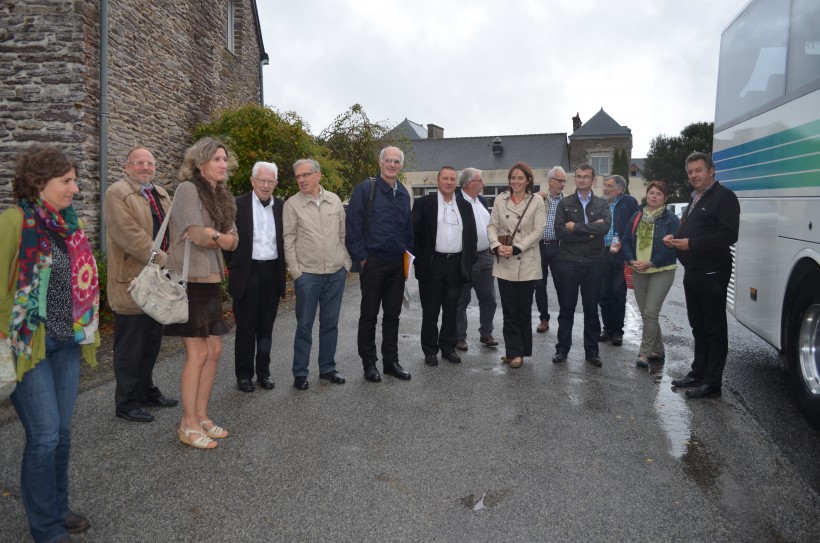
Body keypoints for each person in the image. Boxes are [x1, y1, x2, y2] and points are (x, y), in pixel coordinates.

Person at [0, 144, 99, 542]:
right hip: (28, 345)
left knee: (62, 433)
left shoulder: (66, 223)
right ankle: (45, 529)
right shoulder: (14, 221)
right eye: (67, 181)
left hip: (66, 341)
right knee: (43, 435)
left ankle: (59, 510)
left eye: (75, 180)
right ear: (40, 183)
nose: (75, 188)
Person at [164, 137, 238, 449]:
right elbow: (197, 235)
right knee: (198, 354)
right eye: (217, 159)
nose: (223, 164)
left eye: (225, 159)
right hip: (188, 279)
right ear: (200, 162)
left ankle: (202, 415)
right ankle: (188, 424)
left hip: (210, 279)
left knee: (215, 352)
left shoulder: (222, 195)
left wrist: (215, 235)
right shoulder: (187, 189)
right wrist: (216, 236)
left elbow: (233, 241)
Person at [104, 146, 178, 424]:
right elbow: (130, 236)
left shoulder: (160, 193)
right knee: (130, 347)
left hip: (158, 282)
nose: (146, 167)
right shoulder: (117, 193)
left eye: (150, 163)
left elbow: (173, 226)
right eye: (139, 163)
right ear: (126, 167)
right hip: (132, 282)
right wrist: (164, 258)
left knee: (150, 342)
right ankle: (126, 401)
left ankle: (146, 390)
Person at [665, 151, 740, 399]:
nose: (694, 175)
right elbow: (691, 231)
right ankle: (698, 372)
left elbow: (728, 236)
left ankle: (712, 383)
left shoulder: (724, 197)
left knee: (714, 328)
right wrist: (675, 240)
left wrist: (691, 245)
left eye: (699, 170)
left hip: (713, 272)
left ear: (711, 171)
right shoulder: (694, 198)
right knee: (698, 326)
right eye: (690, 172)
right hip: (693, 272)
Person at [345, 146, 414, 383]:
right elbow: (352, 226)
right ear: (380, 162)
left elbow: (408, 229)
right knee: (369, 316)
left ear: (401, 166)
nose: (392, 165)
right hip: (373, 263)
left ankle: (390, 362)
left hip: (396, 265)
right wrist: (362, 257)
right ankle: (369, 364)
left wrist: (408, 254)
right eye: (388, 160)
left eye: (396, 161)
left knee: (392, 316)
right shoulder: (367, 189)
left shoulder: (404, 193)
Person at [283, 159, 350, 390]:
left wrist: (346, 263)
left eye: (305, 175)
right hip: (307, 276)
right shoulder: (292, 205)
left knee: (330, 324)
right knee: (304, 325)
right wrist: (296, 272)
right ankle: (300, 373)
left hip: (335, 274)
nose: (301, 179)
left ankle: (327, 369)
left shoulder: (334, 201)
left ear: (318, 175)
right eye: (298, 176)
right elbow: (288, 240)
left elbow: (343, 236)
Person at [222, 161, 285, 393]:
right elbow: (226, 245)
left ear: (276, 184)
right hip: (247, 273)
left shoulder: (281, 206)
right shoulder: (237, 205)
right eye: (262, 180)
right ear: (252, 181)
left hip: (271, 272)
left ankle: (264, 373)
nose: (266, 185)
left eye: (270, 181)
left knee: (266, 328)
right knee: (246, 328)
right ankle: (244, 375)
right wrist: (237, 266)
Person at [413, 166, 477, 366]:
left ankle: (448, 348)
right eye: (445, 178)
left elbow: (471, 236)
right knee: (430, 311)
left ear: (456, 182)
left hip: (456, 264)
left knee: (452, 309)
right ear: (438, 181)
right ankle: (430, 350)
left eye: (452, 179)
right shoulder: (424, 203)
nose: (449, 182)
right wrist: (420, 261)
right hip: (433, 264)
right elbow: (413, 234)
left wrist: (469, 261)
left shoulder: (465, 206)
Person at [487, 162, 546, 369]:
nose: (516, 181)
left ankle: (521, 349)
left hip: (527, 261)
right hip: (505, 261)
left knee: (523, 310)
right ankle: (514, 353)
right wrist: (495, 246)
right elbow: (492, 225)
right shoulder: (500, 200)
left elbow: (539, 230)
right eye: (513, 178)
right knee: (509, 310)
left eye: (520, 178)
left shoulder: (537, 200)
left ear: (528, 180)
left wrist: (518, 248)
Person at [552, 164, 611, 367]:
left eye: (586, 177)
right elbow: (560, 232)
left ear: (593, 180)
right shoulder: (564, 204)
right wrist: (590, 233)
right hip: (568, 262)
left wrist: (576, 228)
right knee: (566, 308)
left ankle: (592, 352)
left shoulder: (602, 204)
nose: (582, 180)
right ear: (574, 179)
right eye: (578, 176)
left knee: (591, 310)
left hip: (593, 263)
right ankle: (562, 349)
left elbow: (604, 228)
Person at [621, 181, 680, 367]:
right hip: (639, 270)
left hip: (661, 270)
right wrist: (631, 260)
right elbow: (626, 240)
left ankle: (644, 354)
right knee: (646, 314)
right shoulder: (637, 216)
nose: (654, 196)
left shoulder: (671, 219)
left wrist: (651, 262)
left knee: (651, 312)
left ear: (665, 198)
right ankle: (658, 349)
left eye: (659, 194)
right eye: (651, 193)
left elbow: (674, 248)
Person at [455, 167, 498, 351]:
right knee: (462, 300)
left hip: (486, 256)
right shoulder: (456, 202)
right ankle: (459, 337)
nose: (483, 184)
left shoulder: (481, 200)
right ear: (469, 183)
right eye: (480, 180)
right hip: (466, 259)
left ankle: (486, 333)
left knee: (489, 298)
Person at [598, 175, 640, 346]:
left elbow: (635, 225)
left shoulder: (629, 202)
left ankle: (618, 331)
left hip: (620, 253)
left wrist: (624, 242)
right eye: (605, 185)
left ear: (619, 189)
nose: (605, 189)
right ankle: (607, 329)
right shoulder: (600, 203)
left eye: (609, 186)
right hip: (601, 253)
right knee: (603, 293)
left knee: (618, 293)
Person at [534, 166, 567, 333]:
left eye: (564, 181)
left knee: (561, 285)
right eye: (560, 180)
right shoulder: (539, 199)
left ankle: (564, 318)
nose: (562, 184)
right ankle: (544, 319)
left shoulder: (567, 201)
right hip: (539, 247)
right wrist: (534, 197)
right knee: (539, 285)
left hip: (559, 247)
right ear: (550, 182)